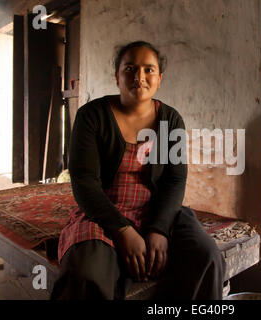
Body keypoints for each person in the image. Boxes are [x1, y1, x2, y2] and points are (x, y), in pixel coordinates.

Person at [50, 41, 226, 300]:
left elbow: (175, 180)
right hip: (104, 211)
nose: (139, 77)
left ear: (159, 78)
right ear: (117, 76)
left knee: (207, 256)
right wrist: (123, 231)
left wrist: (159, 229)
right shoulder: (92, 116)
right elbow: (84, 182)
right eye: (130, 68)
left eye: (148, 69)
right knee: (86, 274)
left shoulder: (171, 119)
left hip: (156, 209)